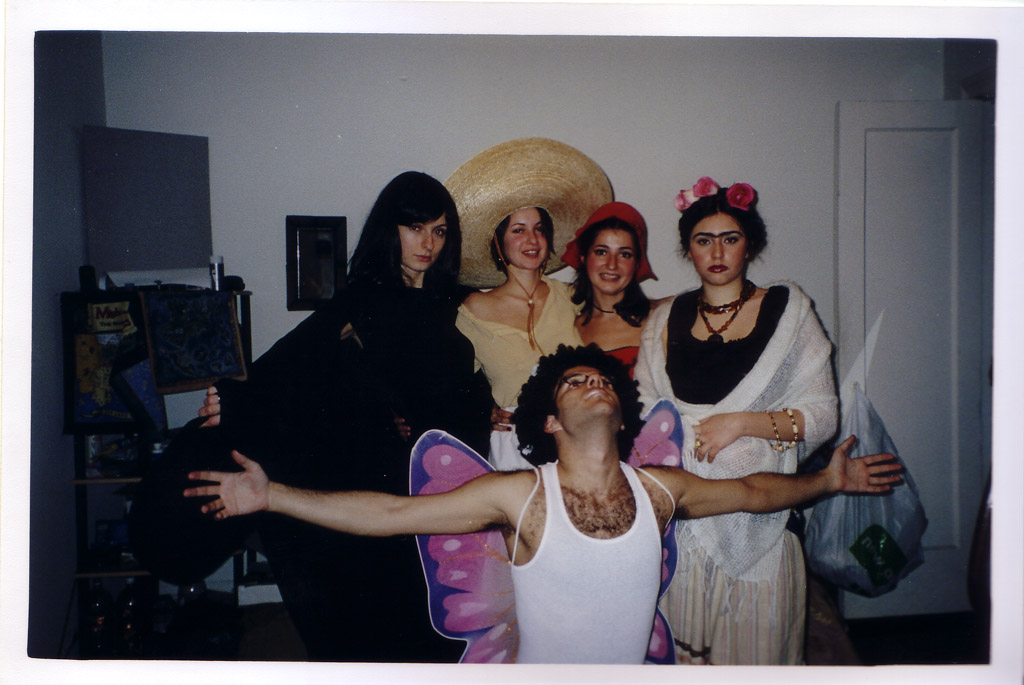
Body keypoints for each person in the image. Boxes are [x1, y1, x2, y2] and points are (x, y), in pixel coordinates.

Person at [184, 344, 901, 665]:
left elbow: (750, 492)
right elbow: (392, 514)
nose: (594, 384)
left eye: (602, 380)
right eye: (574, 382)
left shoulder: (660, 488)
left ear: (621, 411)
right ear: (550, 422)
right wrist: (272, 494)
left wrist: (829, 482)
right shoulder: (520, 494)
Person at [138, 171, 491, 663]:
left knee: (436, 610)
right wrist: (234, 400)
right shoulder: (363, 299)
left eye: (439, 230)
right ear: (389, 229)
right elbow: (294, 364)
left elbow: (467, 378)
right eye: (415, 228)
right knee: (374, 610)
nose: (427, 243)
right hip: (376, 473)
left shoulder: (457, 301)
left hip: (440, 467)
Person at [634, 177, 839, 665]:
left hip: (762, 524)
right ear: (688, 249)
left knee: (754, 659)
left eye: (730, 238)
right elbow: (644, 413)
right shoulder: (663, 319)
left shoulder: (790, 311)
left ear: (750, 245)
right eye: (703, 240)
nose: (717, 252)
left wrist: (744, 423)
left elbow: (824, 416)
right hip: (684, 527)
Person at [446, 138, 612, 471]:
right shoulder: (472, 311)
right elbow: (451, 387)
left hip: (578, 439)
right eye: (518, 230)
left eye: (539, 229)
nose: (532, 240)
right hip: (513, 451)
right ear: (498, 242)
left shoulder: (574, 298)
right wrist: (481, 412)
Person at [560, 201, 661, 376]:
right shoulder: (570, 329)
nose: (612, 264)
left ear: (636, 264)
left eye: (624, 254)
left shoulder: (660, 319)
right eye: (601, 252)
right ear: (584, 257)